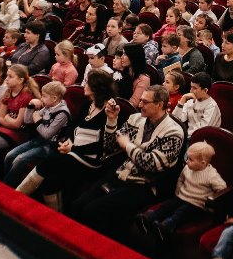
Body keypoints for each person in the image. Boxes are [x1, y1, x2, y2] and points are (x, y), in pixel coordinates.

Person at [67, 85, 185, 238]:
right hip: (120, 175)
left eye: (145, 102)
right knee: (77, 206)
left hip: (144, 184)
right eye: (140, 100)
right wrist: (111, 120)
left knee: (93, 211)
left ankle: (92, 249)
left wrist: (128, 146)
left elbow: (152, 164)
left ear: (160, 105)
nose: (140, 105)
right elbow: (110, 147)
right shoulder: (136, 119)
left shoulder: (174, 131)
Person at [15, 69, 116, 210]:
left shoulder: (109, 112)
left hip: (90, 159)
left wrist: (72, 148)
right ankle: (56, 217)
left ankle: (16, 196)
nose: (84, 85)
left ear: (96, 88)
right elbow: (73, 126)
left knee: (50, 160)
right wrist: (67, 141)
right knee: (50, 184)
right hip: (73, 150)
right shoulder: (88, 104)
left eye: (87, 83)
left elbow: (101, 146)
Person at [137, 140, 227, 239]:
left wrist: (211, 203)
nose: (187, 161)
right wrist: (178, 193)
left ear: (203, 163)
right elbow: (181, 179)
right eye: (187, 158)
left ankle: (166, 226)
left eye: (191, 159)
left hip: (197, 204)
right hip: (181, 197)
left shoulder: (211, 175)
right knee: (167, 206)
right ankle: (148, 218)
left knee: (182, 213)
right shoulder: (187, 168)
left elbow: (222, 188)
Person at [2, 80, 71, 188]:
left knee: (20, 159)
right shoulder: (48, 106)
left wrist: (38, 120)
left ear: (54, 98)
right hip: (39, 140)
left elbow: (47, 134)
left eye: (44, 96)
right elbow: (28, 120)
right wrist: (30, 106)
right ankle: (7, 181)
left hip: (51, 146)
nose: (41, 99)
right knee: (9, 155)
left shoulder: (63, 113)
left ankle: (7, 187)